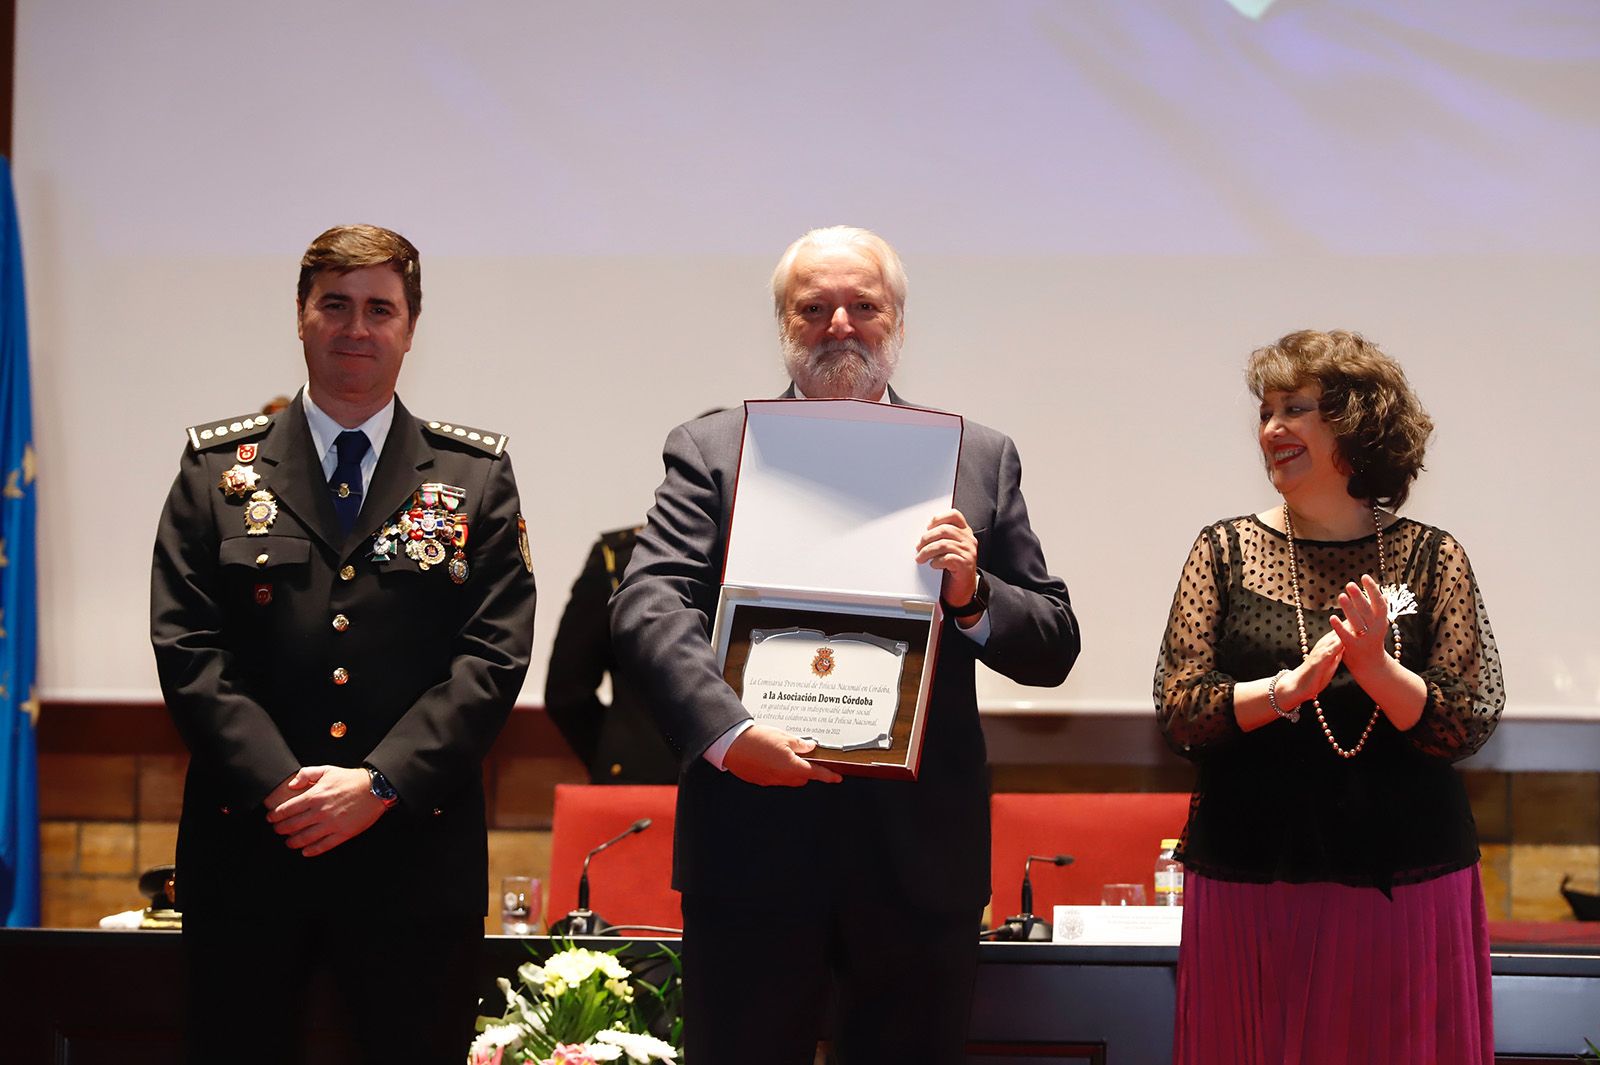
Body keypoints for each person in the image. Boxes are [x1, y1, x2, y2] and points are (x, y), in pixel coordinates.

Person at [610, 225, 1080, 1065]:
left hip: (918, 862)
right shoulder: (715, 448)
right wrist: (726, 732)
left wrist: (974, 595)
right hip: (750, 845)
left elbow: (1051, 641)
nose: (840, 325)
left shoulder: (978, 457)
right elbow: (648, 603)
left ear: (898, 320)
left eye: (864, 305)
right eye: (815, 306)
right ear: (784, 324)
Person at [150, 224, 537, 1064]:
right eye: (335, 304)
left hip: (413, 857)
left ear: (410, 325)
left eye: (379, 308)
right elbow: (187, 645)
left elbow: (493, 655)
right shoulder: (217, 471)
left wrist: (379, 782)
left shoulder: (473, 477)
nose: (356, 327)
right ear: (300, 316)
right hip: (252, 850)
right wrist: (285, 786)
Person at [1154, 329, 1504, 1064]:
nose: (1272, 429)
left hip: (1403, 882)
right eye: (1265, 411)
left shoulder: (1430, 556)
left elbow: (1463, 722)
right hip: (1255, 876)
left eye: (1295, 409)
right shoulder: (1222, 550)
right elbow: (1182, 709)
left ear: (1355, 424)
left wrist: (1376, 668)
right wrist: (1287, 689)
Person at [545, 525, 679, 784]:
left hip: (635, 780)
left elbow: (565, 693)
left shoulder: (625, 558)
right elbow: (567, 694)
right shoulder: (759, 557)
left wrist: (619, 754)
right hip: (747, 779)